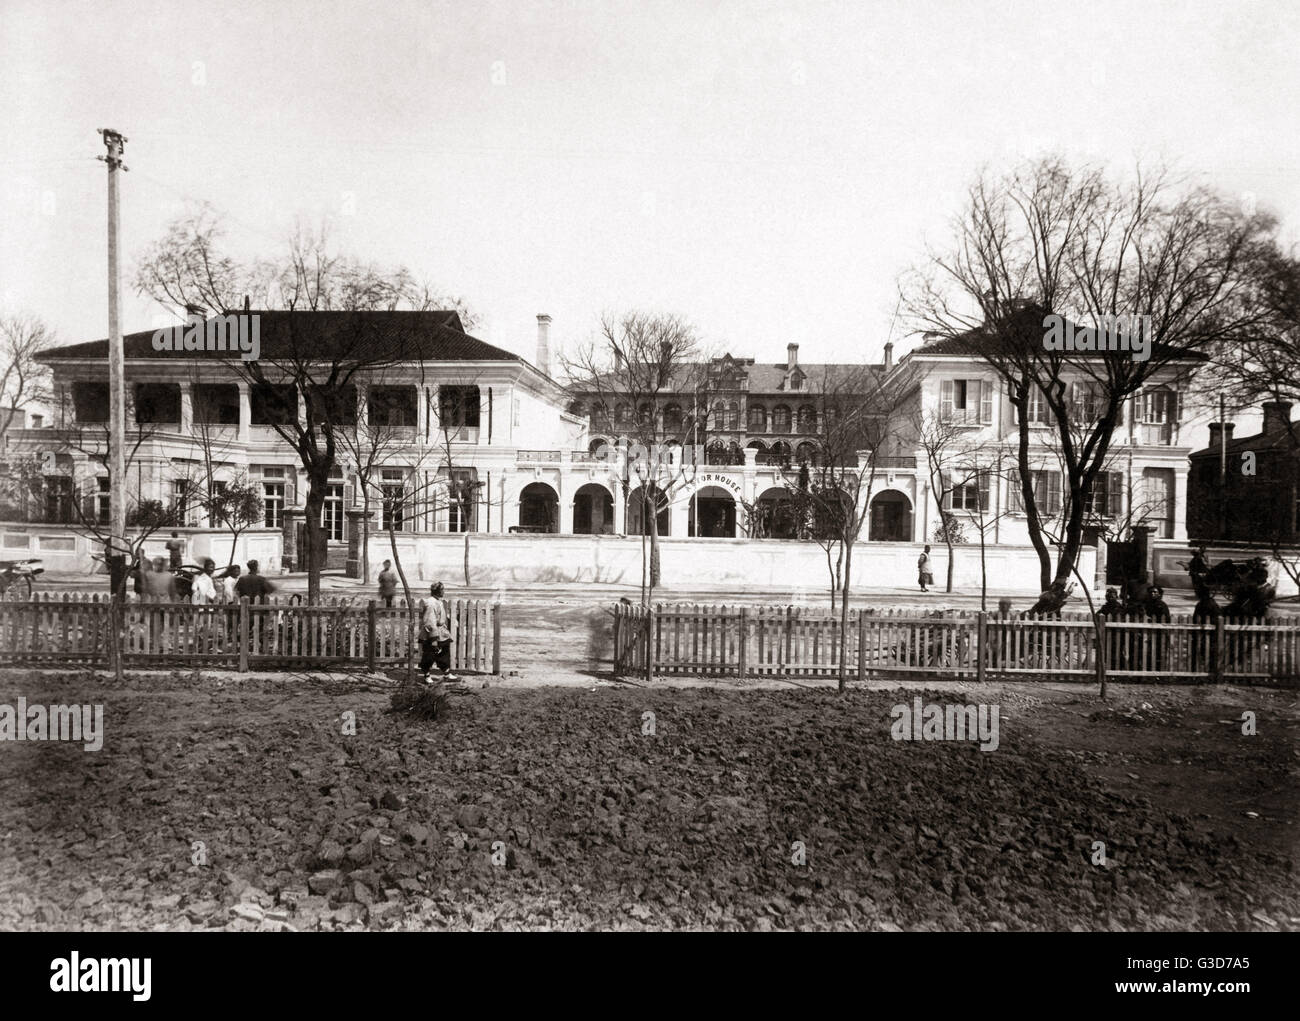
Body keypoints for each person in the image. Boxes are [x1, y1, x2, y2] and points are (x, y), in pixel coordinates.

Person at [419, 581, 457, 683]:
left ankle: (447, 674)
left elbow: (440, 616)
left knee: (444, 652)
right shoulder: (430, 603)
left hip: (441, 632)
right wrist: (433, 639)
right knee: (430, 654)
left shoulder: (438, 601)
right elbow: (430, 622)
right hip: (431, 633)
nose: (444, 591)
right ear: (437, 591)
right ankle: (427, 676)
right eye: (442, 589)